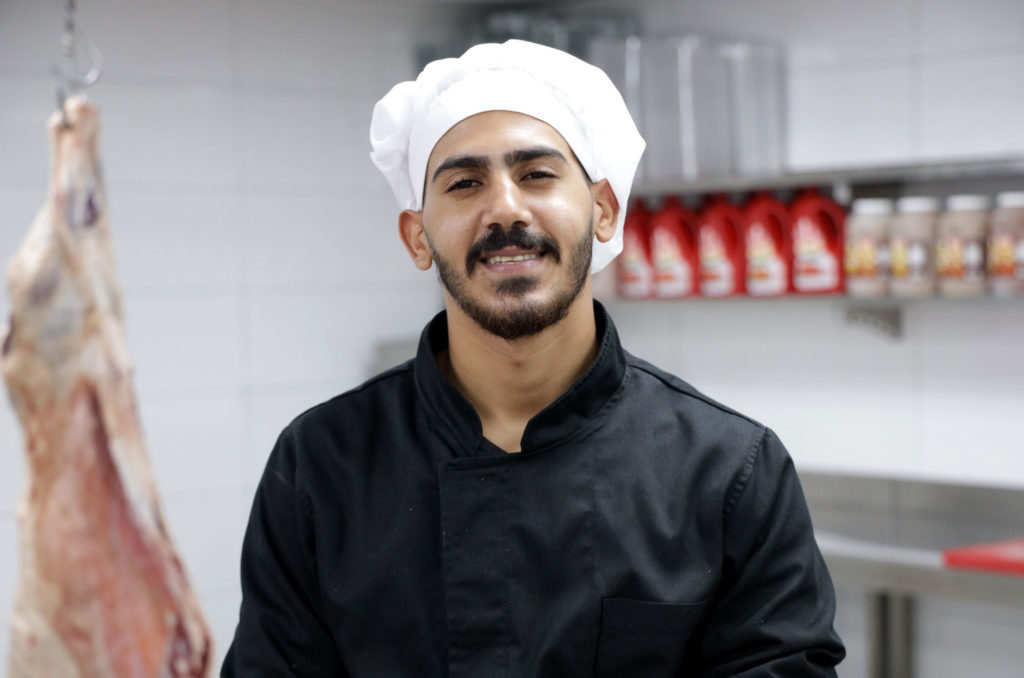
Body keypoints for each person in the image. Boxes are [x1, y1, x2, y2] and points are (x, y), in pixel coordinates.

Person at [222, 40, 844, 677]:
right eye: (464, 184)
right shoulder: (322, 464)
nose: (505, 209)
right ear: (417, 237)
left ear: (603, 212)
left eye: (537, 174)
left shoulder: (728, 472)